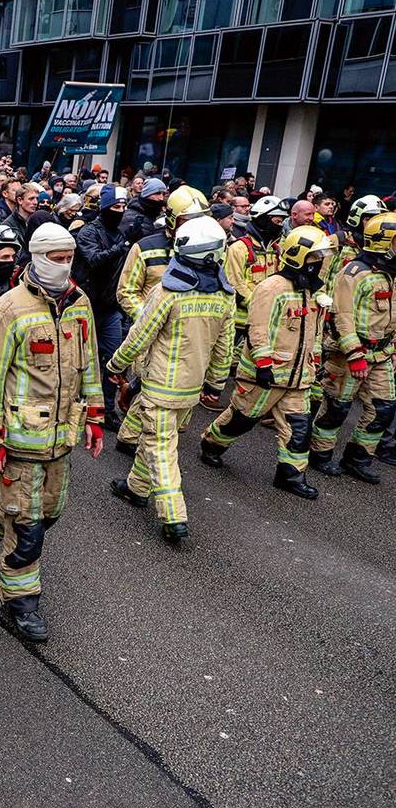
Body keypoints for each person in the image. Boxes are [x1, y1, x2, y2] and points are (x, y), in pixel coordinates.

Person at [0, 223, 103, 642]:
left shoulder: (80, 305)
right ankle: (21, 600)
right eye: (55, 259)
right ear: (36, 258)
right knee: (27, 529)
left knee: (49, 514)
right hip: (20, 441)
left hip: (62, 439)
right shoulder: (6, 312)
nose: (64, 267)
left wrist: (95, 414)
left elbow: (90, 363)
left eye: (68, 258)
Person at [106, 218, 234, 545]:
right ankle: (136, 488)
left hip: (161, 386)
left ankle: (174, 515)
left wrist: (116, 365)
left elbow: (140, 336)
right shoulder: (224, 296)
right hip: (191, 390)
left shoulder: (168, 291)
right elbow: (224, 347)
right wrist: (216, 385)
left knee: (162, 449)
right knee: (155, 437)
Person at [201, 226, 330, 499]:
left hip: (297, 378)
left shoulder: (311, 291)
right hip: (268, 374)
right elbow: (257, 328)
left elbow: (314, 331)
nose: (318, 264)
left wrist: (314, 361)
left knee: (298, 427)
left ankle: (291, 475)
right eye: (314, 258)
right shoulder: (271, 287)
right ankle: (211, 444)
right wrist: (263, 365)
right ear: (299, 257)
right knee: (241, 420)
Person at [308, 211, 396, 483]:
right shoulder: (355, 272)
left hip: (381, 354)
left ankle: (357, 458)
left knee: (383, 407)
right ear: (384, 241)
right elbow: (341, 316)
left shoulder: (392, 273)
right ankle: (319, 455)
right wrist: (355, 355)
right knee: (337, 407)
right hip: (350, 355)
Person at [73, 184, 130, 431]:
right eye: (116, 207)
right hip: (87, 306)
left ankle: (106, 409)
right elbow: (94, 260)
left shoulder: (121, 232)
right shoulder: (88, 232)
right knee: (80, 358)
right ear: (105, 208)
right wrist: (121, 247)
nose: (121, 211)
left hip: (110, 308)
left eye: (124, 207)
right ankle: (75, 403)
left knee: (112, 358)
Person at [225, 195, 287, 355]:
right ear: (263, 219)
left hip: (265, 323)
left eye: (281, 222)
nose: (279, 225)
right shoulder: (239, 248)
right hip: (239, 325)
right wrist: (261, 305)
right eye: (276, 221)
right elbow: (234, 284)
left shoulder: (277, 249)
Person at [119, 177, 168, 243]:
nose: (161, 198)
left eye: (163, 194)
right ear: (146, 194)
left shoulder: (159, 216)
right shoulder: (130, 217)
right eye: (157, 193)